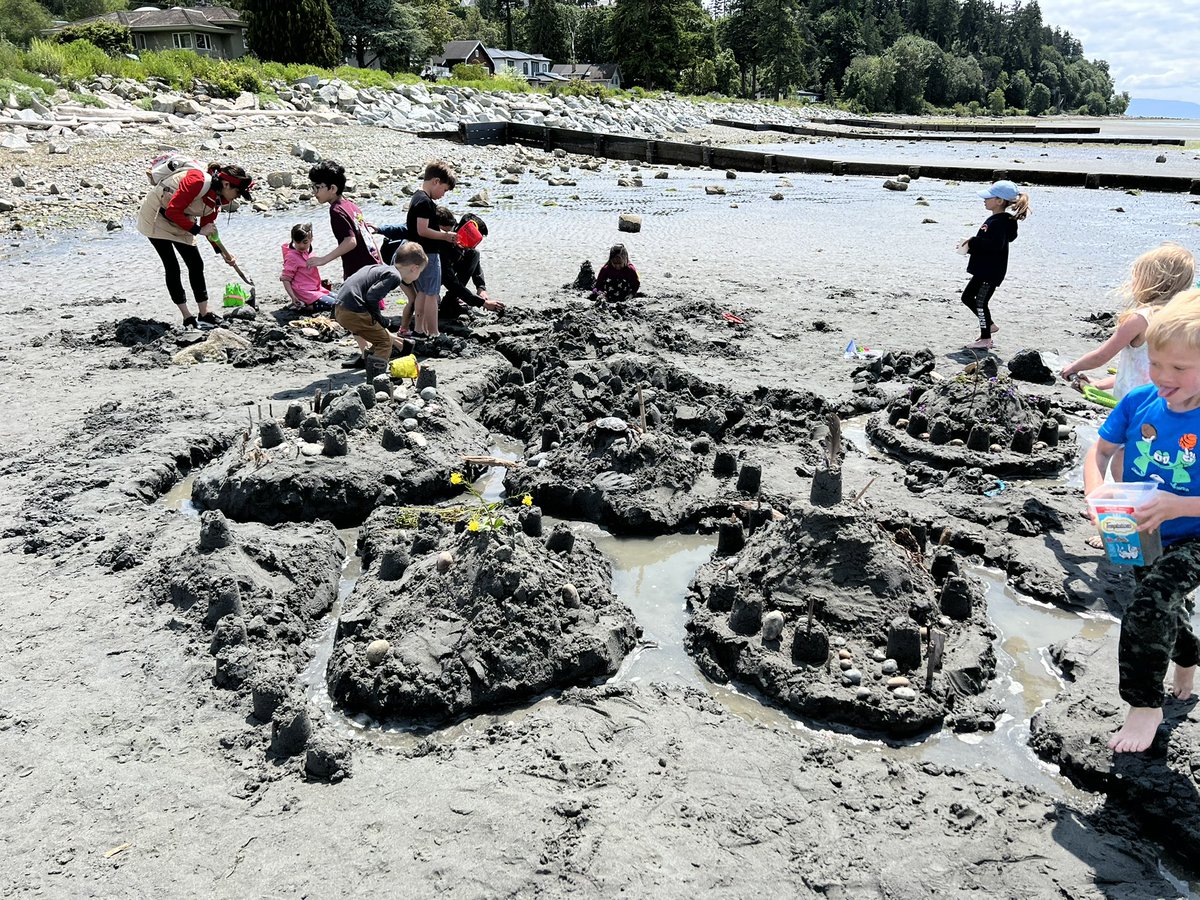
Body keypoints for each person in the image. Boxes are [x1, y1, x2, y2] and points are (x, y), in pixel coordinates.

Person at [1082, 287, 1200, 753]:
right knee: (1163, 606)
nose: (1162, 376)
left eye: (1179, 368)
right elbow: (1101, 451)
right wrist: (1097, 495)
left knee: (1148, 604)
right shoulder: (1140, 401)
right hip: (1140, 530)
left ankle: (1144, 705)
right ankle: (1189, 657)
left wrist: (1181, 505)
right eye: (1156, 363)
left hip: (1194, 534)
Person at [1061, 244, 1195, 398]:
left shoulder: (1141, 318)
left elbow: (1101, 356)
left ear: (1151, 281)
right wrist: (1099, 384)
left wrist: (1073, 367)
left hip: (1133, 405)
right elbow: (1144, 369)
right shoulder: (1183, 320)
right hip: (1164, 403)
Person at [137, 161, 254, 328]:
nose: (238, 197)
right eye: (238, 192)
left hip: (182, 219)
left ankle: (204, 313)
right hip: (157, 217)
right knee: (172, 265)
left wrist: (223, 253)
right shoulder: (198, 182)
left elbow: (209, 227)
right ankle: (187, 317)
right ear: (226, 184)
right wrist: (198, 230)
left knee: (196, 264)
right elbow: (172, 211)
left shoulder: (220, 197)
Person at [375, 210, 504, 329]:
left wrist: (481, 287)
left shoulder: (455, 233)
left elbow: (473, 259)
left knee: (474, 254)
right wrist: (482, 303)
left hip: (430, 266)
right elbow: (451, 281)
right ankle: (416, 327)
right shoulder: (440, 241)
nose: (468, 245)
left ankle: (450, 302)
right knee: (422, 299)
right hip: (412, 267)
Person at [333, 242, 427, 382]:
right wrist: (379, 318)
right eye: (420, 273)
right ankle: (377, 379)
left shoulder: (380, 268)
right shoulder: (395, 276)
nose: (418, 277)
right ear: (414, 268)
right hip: (353, 310)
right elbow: (372, 296)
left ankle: (370, 361)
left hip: (339, 308)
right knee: (384, 342)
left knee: (378, 337)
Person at [958, 180, 1030, 350]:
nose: (984, 200)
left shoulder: (999, 222)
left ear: (999, 201)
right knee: (967, 297)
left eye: (988, 197)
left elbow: (994, 245)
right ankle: (989, 325)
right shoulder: (1001, 220)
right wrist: (970, 246)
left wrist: (973, 242)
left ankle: (986, 339)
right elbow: (998, 242)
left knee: (981, 302)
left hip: (990, 271)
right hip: (985, 268)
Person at [406, 160, 458, 338]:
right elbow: (423, 230)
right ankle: (434, 332)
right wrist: (445, 236)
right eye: (444, 190)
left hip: (417, 252)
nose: (443, 195)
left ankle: (420, 329)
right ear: (435, 181)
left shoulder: (417, 197)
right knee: (432, 294)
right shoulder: (425, 202)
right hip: (427, 253)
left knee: (422, 291)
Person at [280, 223, 336, 311]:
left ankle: (309, 303)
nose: (301, 245)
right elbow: (286, 279)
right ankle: (305, 307)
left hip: (316, 289)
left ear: (311, 239)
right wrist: (293, 297)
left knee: (341, 299)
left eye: (305, 242)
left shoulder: (309, 253)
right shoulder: (291, 257)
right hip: (304, 292)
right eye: (298, 242)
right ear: (293, 240)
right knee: (336, 305)